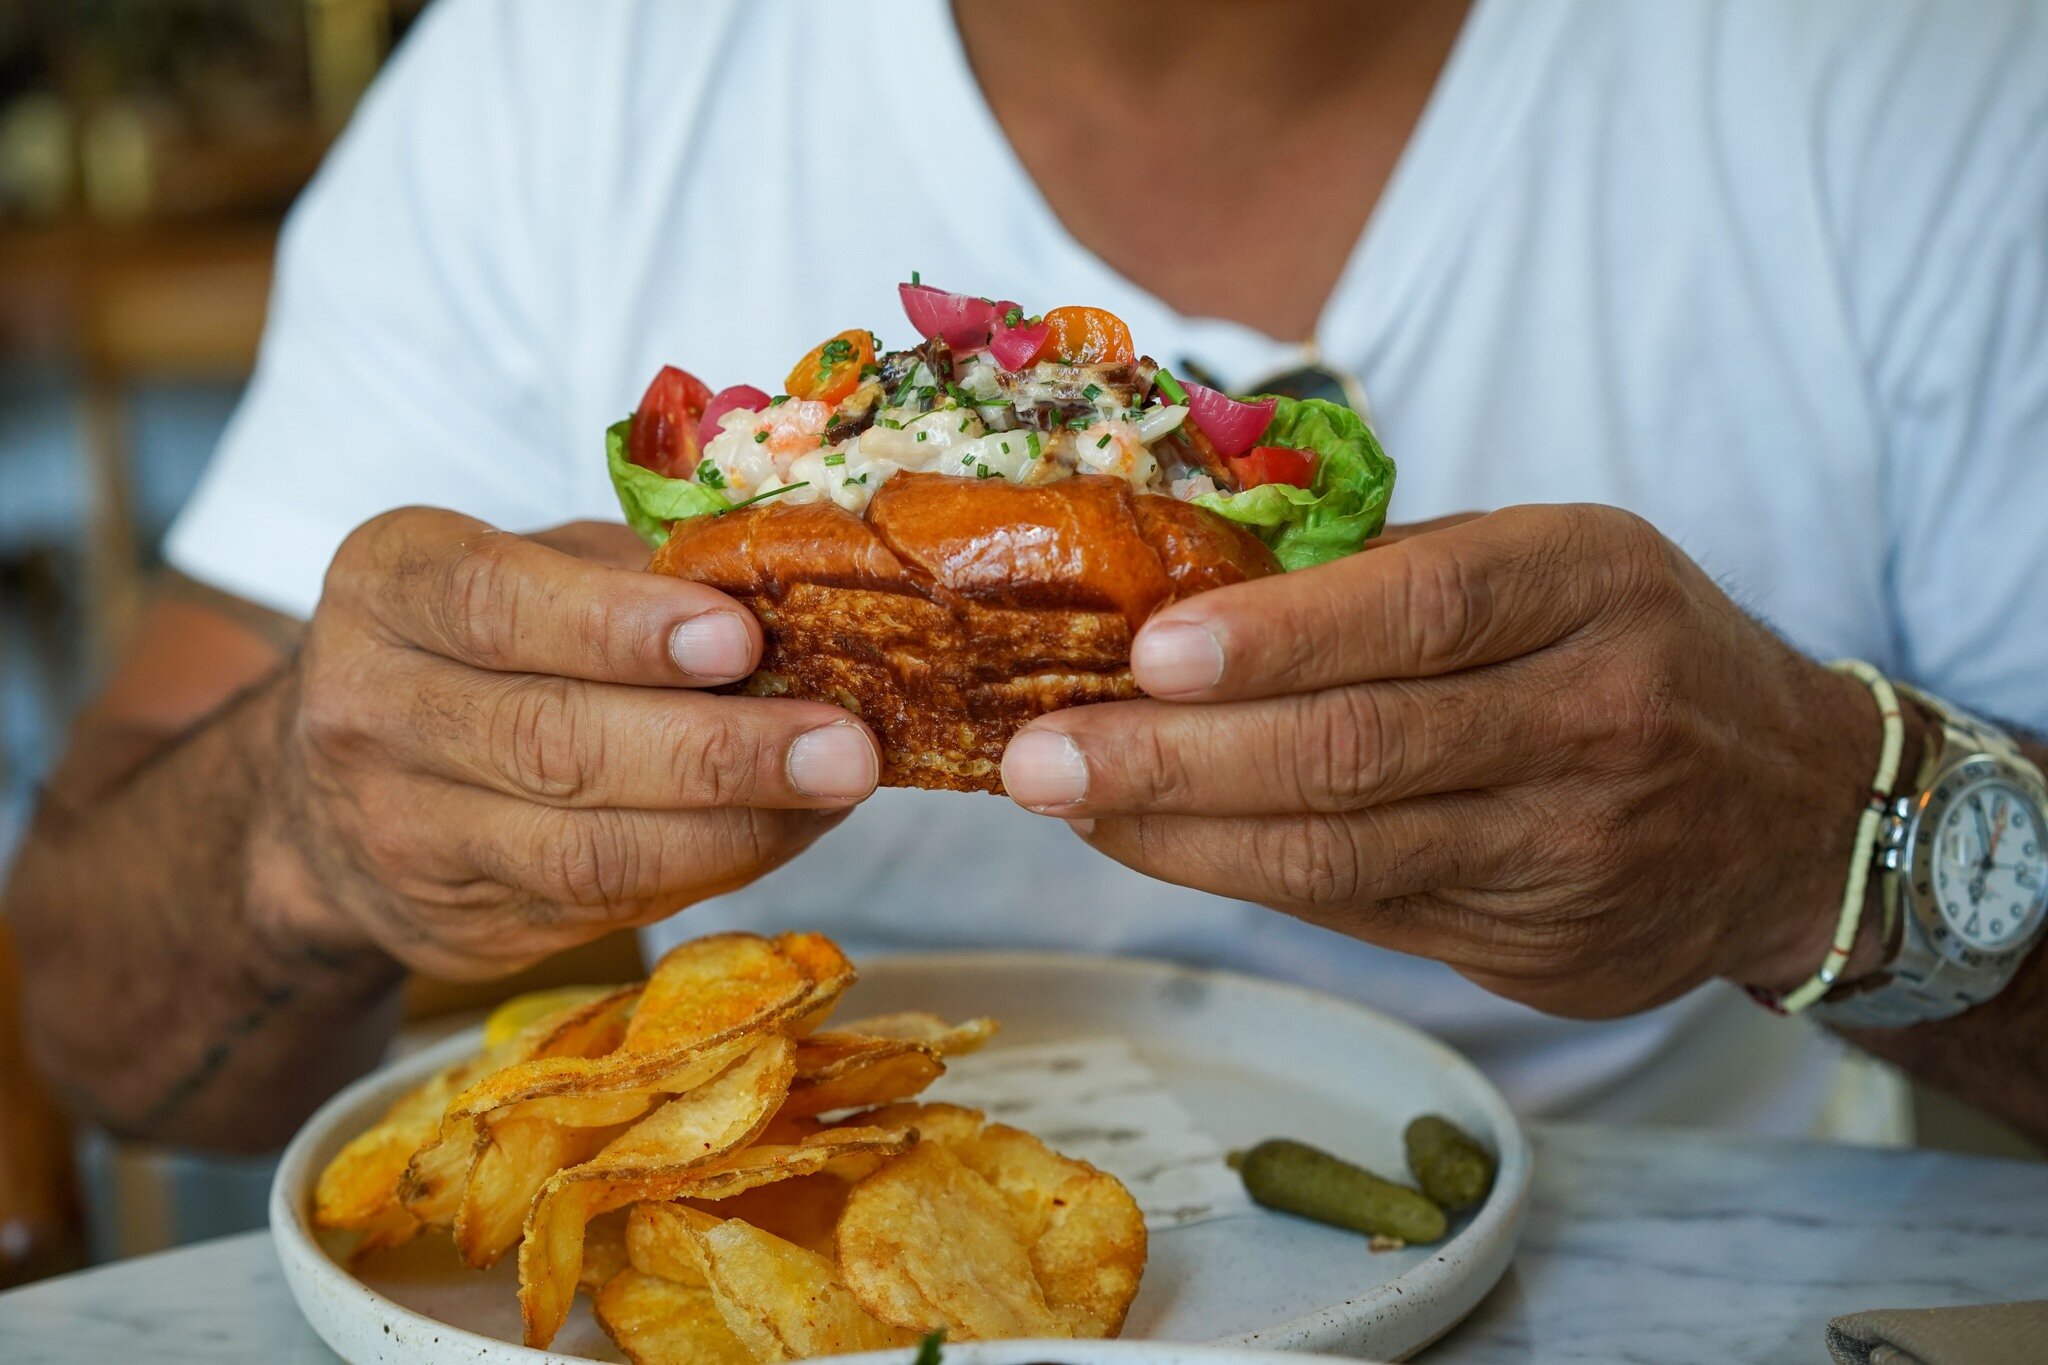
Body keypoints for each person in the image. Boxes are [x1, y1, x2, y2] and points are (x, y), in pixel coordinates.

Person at [6, 0, 2047, 1153]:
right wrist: (298, 828)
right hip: (796, 1238)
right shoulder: (558, 72)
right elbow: (99, 1016)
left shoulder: (1922, 80)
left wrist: (1814, 835)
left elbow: (1863, 851)